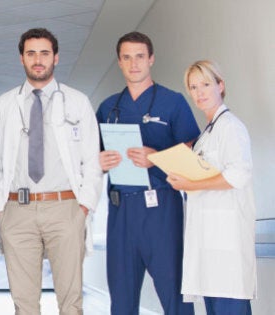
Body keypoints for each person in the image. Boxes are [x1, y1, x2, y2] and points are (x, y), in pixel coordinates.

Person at [0, 28, 103, 314]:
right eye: (31, 53)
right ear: (22, 58)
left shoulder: (78, 102)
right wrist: (1, 211)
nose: (38, 60)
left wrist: (84, 206)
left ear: (56, 57)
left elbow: (92, 160)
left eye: (44, 53)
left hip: (65, 209)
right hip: (17, 211)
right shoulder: (3, 105)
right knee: (23, 303)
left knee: (71, 300)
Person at [95, 31, 199, 315]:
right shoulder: (108, 108)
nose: (134, 64)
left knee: (175, 296)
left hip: (161, 210)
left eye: (140, 56)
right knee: (122, 300)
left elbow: (193, 152)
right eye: (127, 58)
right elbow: (91, 158)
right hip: (120, 213)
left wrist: (157, 157)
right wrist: (99, 162)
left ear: (151, 59)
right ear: (119, 62)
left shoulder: (173, 102)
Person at [166, 60, 256, 315]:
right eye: (193, 87)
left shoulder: (231, 127)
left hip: (226, 245)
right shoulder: (206, 135)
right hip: (208, 245)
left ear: (220, 85)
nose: (199, 92)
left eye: (205, 84)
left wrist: (191, 183)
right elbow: (202, 179)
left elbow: (237, 175)